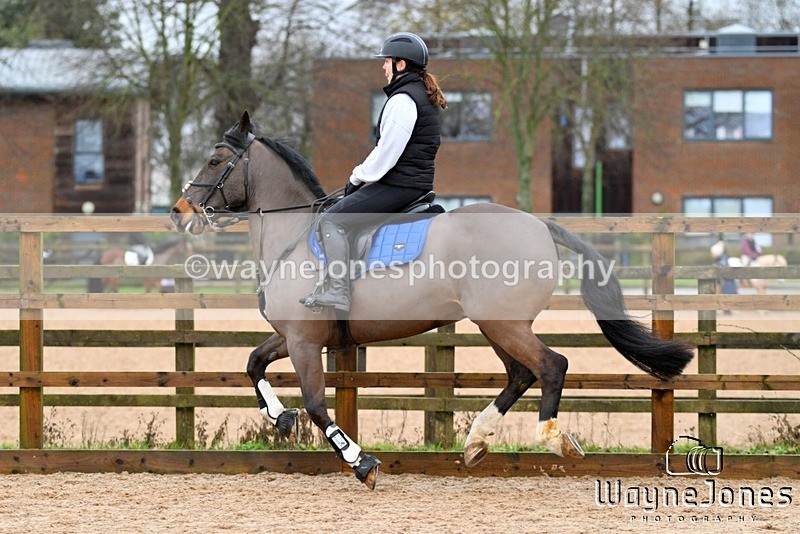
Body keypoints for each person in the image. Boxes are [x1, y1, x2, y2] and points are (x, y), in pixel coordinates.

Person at [301, 32, 447, 312]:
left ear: (401, 65)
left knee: (331, 220)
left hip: (400, 184)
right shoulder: (419, 95)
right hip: (412, 183)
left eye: (387, 61)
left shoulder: (403, 99)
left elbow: (387, 153)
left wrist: (357, 177)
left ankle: (338, 291)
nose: (383, 66)